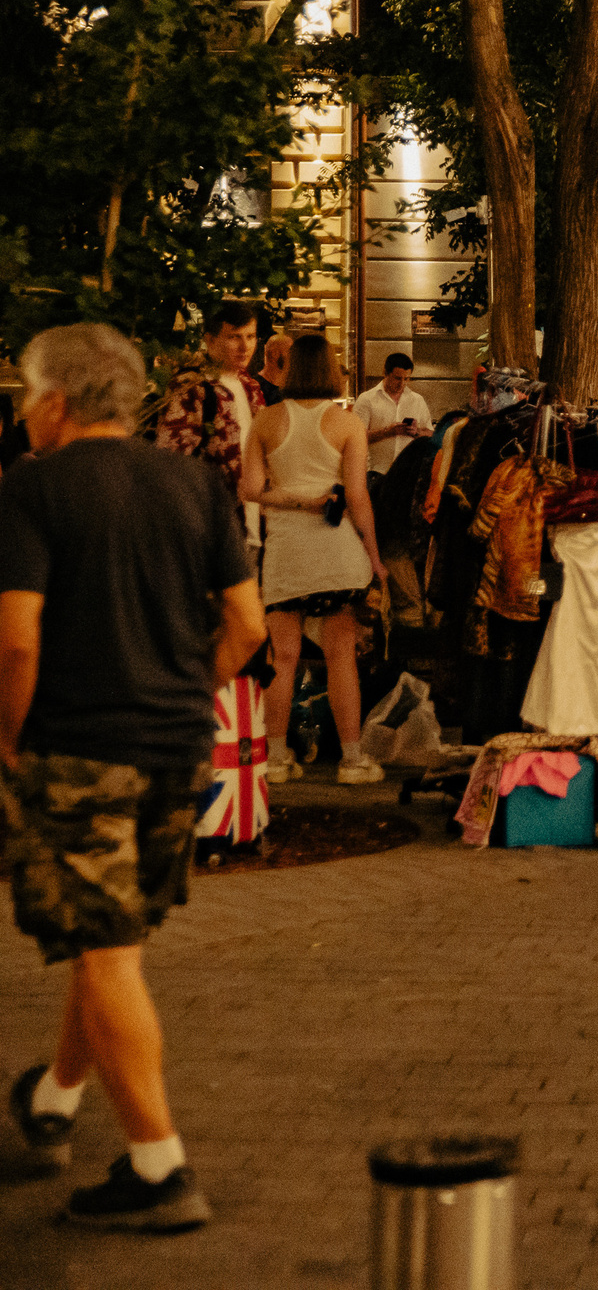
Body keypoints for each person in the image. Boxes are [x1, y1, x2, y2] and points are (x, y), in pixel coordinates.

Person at [1, 323, 264, 1231]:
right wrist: (186, 688)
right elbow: (248, 626)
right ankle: (54, 1100)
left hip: (77, 748)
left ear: (57, 401)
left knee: (105, 948)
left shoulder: (33, 488)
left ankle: (159, 1168)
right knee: (109, 936)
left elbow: (17, 638)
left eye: (25, 394)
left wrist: (10, 735)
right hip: (176, 747)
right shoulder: (192, 482)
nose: (20, 409)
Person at [241, 336, 387, 785]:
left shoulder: (265, 420)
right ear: (331, 369)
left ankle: (278, 757)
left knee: (283, 657)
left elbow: (250, 490)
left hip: (286, 555)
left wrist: (296, 502)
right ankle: (353, 759)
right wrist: (375, 559)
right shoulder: (346, 423)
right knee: (341, 655)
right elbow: (358, 498)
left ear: (289, 369)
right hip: (338, 552)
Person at [152, 300, 266, 530]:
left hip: (255, 523)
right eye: (234, 337)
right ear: (210, 340)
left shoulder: (251, 387)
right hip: (212, 526)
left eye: (251, 336)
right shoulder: (192, 387)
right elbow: (172, 464)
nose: (245, 347)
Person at [353, 352, 433, 478]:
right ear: (385, 373)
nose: (402, 384)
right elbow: (355, 438)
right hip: (376, 472)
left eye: (406, 379)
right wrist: (388, 432)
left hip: (408, 473)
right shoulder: (367, 399)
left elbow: (430, 434)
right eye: (397, 378)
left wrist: (416, 432)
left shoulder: (417, 400)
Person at [249, 329, 289, 409]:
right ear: (275, 354)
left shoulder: (289, 387)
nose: (294, 357)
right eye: (289, 351)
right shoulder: (255, 387)